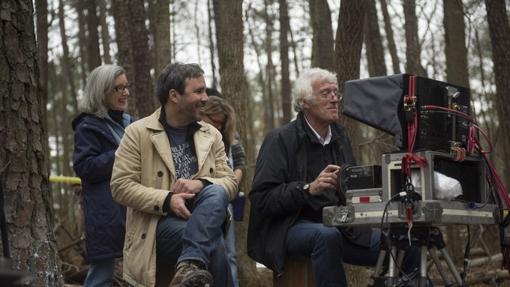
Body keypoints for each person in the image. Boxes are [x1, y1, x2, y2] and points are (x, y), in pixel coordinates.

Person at [247, 68, 419, 287]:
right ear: (305, 102)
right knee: (325, 236)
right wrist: (308, 188)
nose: (334, 99)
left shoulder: (340, 136)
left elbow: (354, 188)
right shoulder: (280, 139)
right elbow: (261, 198)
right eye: (325, 93)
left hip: (341, 225)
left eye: (335, 93)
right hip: (289, 227)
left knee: (405, 243)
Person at [110, 62, 237, 287]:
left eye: (205, 90)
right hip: (157, 225)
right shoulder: (137, 133)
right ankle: (190, 264)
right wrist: (168, 200)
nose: (206, 97)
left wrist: (201, 184)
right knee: (213, 243)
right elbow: (120, 186)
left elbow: (230, 183)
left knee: (215, 192)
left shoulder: (212, 135)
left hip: (203, 217)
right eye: (198, 91)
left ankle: (189, 266)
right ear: (174, 95)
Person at [72, 64, 135, 287]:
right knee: (101, 274)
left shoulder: (133, 123)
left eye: (126, 87)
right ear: (101, 92)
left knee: (142, 271)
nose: (125, 93)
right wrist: (118, 154)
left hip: (137, 205)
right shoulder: (87, 127)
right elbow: (85, 167)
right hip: (106, 211)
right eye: (118, 88)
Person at [201, 94, 246, 287]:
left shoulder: (229, 136)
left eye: (222, 123)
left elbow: (240, 161)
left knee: (230, 253)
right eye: (215, 121)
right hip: (204, 200)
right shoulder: (195, 134)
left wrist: (233, 183)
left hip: (226, 199)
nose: (218, 126)